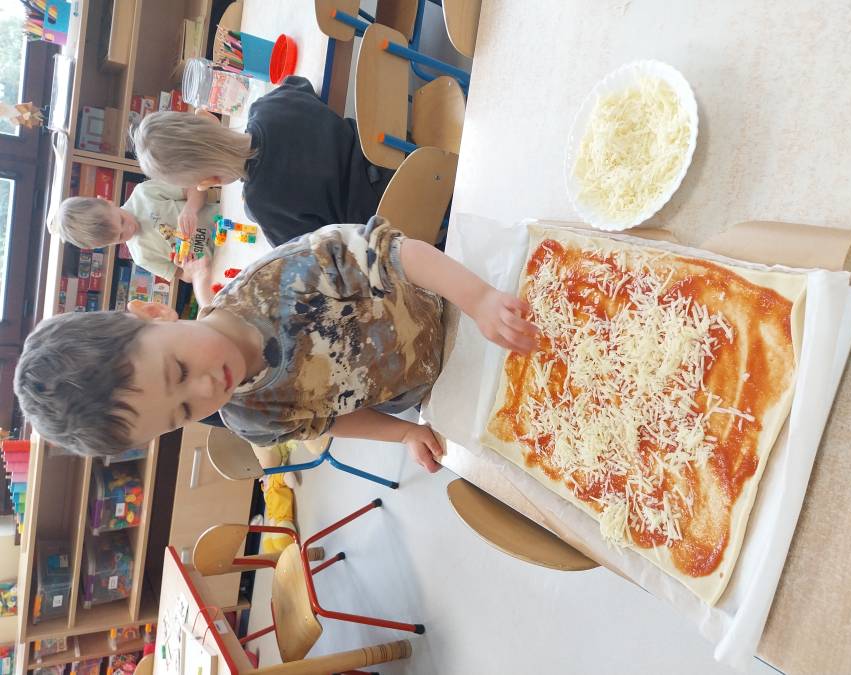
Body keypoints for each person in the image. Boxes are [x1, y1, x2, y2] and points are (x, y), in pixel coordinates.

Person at [15, 218, 537, 473]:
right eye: (184, 412)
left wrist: (479, 299)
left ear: (154, 312)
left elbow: (395, 255)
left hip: (460, 302)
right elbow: (325, 421)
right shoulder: (250, 419)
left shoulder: (283, 279)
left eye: (179, 371)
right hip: (440, 390)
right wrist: (402, 433)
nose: (206, 390)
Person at [133, 76, 392, 248]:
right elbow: (300, 84)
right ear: (208, 117)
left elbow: (310, 252)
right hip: (394, 151)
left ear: (210, 182)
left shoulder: (262, 206)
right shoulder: (268, 107)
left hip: (386, 217)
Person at [53, 181, 216, 305]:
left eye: (122, 220)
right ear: (108, 245)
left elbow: (196, 188)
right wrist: (189, 268)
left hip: (224, 219)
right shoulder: (141, 257)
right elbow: (185, 276)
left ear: (107, 201)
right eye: (120, 236)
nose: (129, 229)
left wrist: (190, 209)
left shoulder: (143, 193)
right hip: (218, 263)